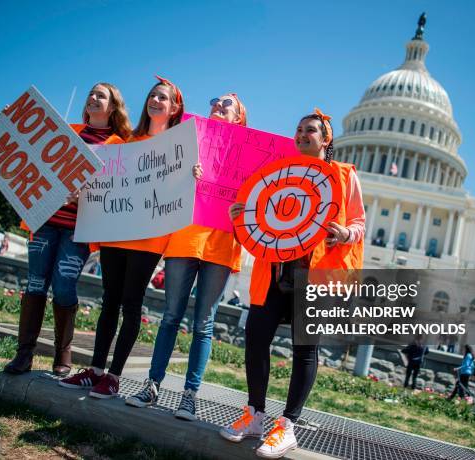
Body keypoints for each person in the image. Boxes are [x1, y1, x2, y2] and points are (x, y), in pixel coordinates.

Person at [219, 109, 365, 458]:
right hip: (274, 271)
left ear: (326, 139)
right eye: (299, 129)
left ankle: (287, 426)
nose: (302, 135)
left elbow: (359, 222)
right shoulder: (280, 173)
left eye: (310, 131)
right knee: (255, 339)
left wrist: (345, 233)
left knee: (304, 350)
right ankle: (254, 414)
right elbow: (261, 216)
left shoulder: (345, 176)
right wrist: (240, 215)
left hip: (313, 275)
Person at [59, 76, 184, 398]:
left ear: (174, 108)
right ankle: (96, 370)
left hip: (148, 239)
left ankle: (114, 377)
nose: (155, 101)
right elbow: (103, 184)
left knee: (131, 303)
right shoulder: (125, 143)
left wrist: (191, 174)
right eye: (152, 96)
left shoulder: (181, 148)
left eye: (162, 98)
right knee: (109, 301)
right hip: (116, 233)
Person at [126, 94, 248, 420]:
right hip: (184, 239)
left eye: (226, 105)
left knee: (204, 325)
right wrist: (184, 175)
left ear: (238, 118)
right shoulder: (187, 138)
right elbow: (160, 183)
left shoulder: (246, 155)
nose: (218, 107)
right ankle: (152, 385)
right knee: (170, 316)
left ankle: (189, 396)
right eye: (215, 102)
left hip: (220, 245)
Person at [4, 82, 130, 377]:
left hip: (79, 230)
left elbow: (120, 190)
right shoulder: (68, 133)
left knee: (63, 286)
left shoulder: (121, 146)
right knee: (35, 284)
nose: (93, 98)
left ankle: (63, 353)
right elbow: (31, 145)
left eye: (102, 95)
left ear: (112, 108)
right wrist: (14, 121)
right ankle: (24, 355)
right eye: (91, 94)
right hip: (46, 221)